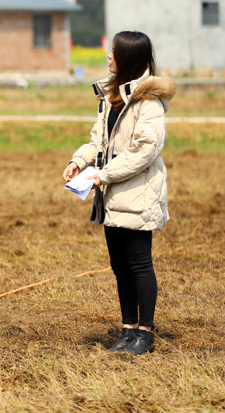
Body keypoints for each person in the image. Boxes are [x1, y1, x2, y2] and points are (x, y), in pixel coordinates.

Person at [63, 31, 175, 355]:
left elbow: (145, 151)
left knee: (139, 263)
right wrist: (78, 161)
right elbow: (98, 140)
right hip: (110, 194)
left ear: (128, 57)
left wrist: (103, 174)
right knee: (119, 265)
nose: (108, 56)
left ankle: (146, 334)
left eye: (113, 52)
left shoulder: (149, 102)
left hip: (136, 192)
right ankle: (128, 330)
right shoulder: (111, 97)